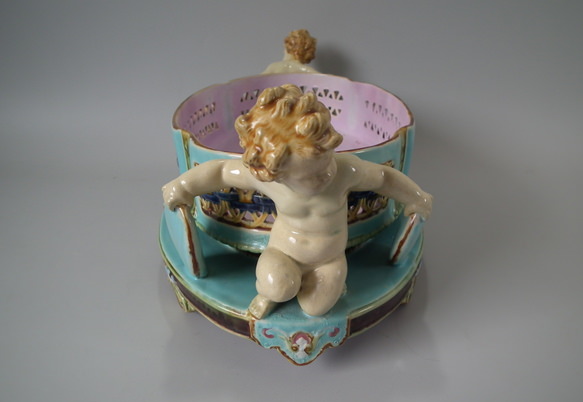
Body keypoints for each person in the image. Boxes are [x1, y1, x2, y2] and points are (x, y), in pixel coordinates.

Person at [162, 84, 432, 319]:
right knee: (279, 287)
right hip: (283, 253)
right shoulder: (267, 181)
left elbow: (383, 178)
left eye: (326, 163)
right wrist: (182, 187)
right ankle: (269, 294)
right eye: (310, 177)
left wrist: (416, 197)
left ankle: (332, 281)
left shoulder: (345, 172)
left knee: (316, 309)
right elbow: (220, 172)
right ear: (275, 175)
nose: (325, 176)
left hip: (329, 259)